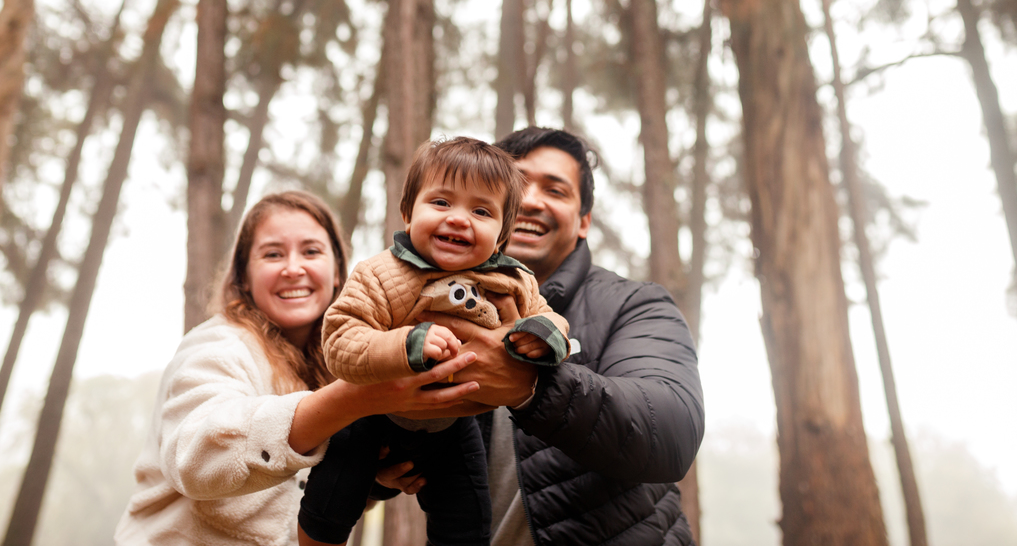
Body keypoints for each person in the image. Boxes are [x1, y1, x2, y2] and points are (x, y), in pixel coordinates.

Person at [115, 190, 481, 546]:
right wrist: (354, 399)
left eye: (311, 251)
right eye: (273, 254)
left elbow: (297, 498)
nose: (293, 269)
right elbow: (197, 459)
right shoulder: (218, 345)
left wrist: (373, 480)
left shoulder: (341, 357)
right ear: (243, 276)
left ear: (339, 272)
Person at [416, 127, 705, 546]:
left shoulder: (634, 305)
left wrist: (530, 387)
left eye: (556, 190)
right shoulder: (431, 301)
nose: (531, 200)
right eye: (516, 184)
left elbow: (671, 432)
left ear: (583, 221)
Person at [298, 137, 570, 546]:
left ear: (501, 236)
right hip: (373, 415)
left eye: (481, 211)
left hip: (453, 425)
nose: (459, 219)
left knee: (467, 518)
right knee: (331, 501)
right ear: (408, 213)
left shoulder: (513, 281)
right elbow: (340, 340)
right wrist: (407, 344)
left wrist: (546, 337)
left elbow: (549, 316)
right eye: (441, 203)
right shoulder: (381, 275)